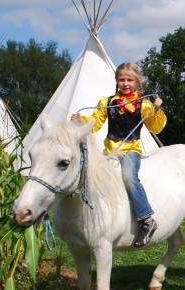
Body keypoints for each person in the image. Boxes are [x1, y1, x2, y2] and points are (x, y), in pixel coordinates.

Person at [71, 62, 166, 248]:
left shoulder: (144, 104)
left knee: (128, 177)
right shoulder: (107, 102)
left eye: (129, 80)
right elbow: (95, 122)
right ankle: (95, 217)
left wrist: (157, 110)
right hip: (110, 151)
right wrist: (81, 120)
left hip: (130, 150)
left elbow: (157, 127)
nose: (125, 83)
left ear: (137, 82)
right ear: (116, 81)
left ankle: (146, 219)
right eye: (121, 79)